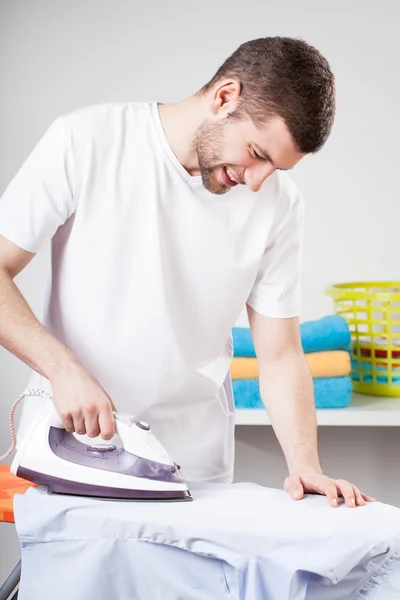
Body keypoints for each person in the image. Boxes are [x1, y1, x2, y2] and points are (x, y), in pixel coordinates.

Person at [0, 36, 374, 508]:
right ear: (224, 97)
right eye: (258, 154)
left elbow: (279, 355)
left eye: (276, 169)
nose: (258, 182)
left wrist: (305, 465)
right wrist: (63, 369)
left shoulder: (279, 205)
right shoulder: (88, 141)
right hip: (71, 435)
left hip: (193, 462)